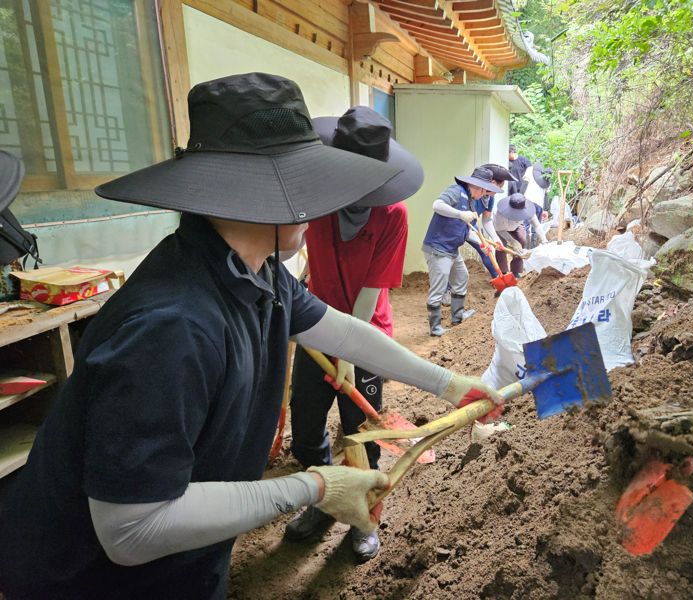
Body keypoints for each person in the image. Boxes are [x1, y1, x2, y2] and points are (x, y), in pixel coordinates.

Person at [0, 73, 502, 600]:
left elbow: (341, 330)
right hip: (94, 581)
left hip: (184, 564)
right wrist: (315, 486)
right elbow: (130, 530)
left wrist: (448, 383)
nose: (322, 203)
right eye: (308, 185)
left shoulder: (255, 268)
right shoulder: (172, 327)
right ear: (264, 195)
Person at [284, 106, 423, 561]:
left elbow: (370, 293)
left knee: (360, 430)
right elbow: (297, 251)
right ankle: (324, 499)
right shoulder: (317, 204)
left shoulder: (393, 217)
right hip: (315, 330)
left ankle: (364, 514)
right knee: (305, 428)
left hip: (364, 337)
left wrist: (348, 351)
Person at [422, 166, 502, 336]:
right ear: (477, 187)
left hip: (452, 248)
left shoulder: (472, 201)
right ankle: (435, 327)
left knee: (462, 277)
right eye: (484, 190)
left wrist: (483, 243)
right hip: (438, 247)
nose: (484, 195)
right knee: (439, 286)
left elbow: (469, 229)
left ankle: (457, 317)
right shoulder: (456, 191)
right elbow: (437, 205)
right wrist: (460, 214)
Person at [462, 163, 516, 278]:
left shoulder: (489, 198)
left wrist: (495, 238)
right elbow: (462, 223)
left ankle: (497, 277)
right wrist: (482, 241)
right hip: (458, 227)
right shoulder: (470, 195)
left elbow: (486, 220)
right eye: (498, 188)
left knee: (487, 251)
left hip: (471, 227)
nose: (497, 192)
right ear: (491, 183)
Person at [495, 193, 549, 277]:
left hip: (517, 226)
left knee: (521, 241)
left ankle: (515, 271)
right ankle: (503, 272)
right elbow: (500, 230)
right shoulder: (501, 212)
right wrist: (512, 241)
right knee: (500, 247)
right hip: (502, 229)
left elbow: (537, 225)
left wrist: (544, 240)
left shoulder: (528, 210)